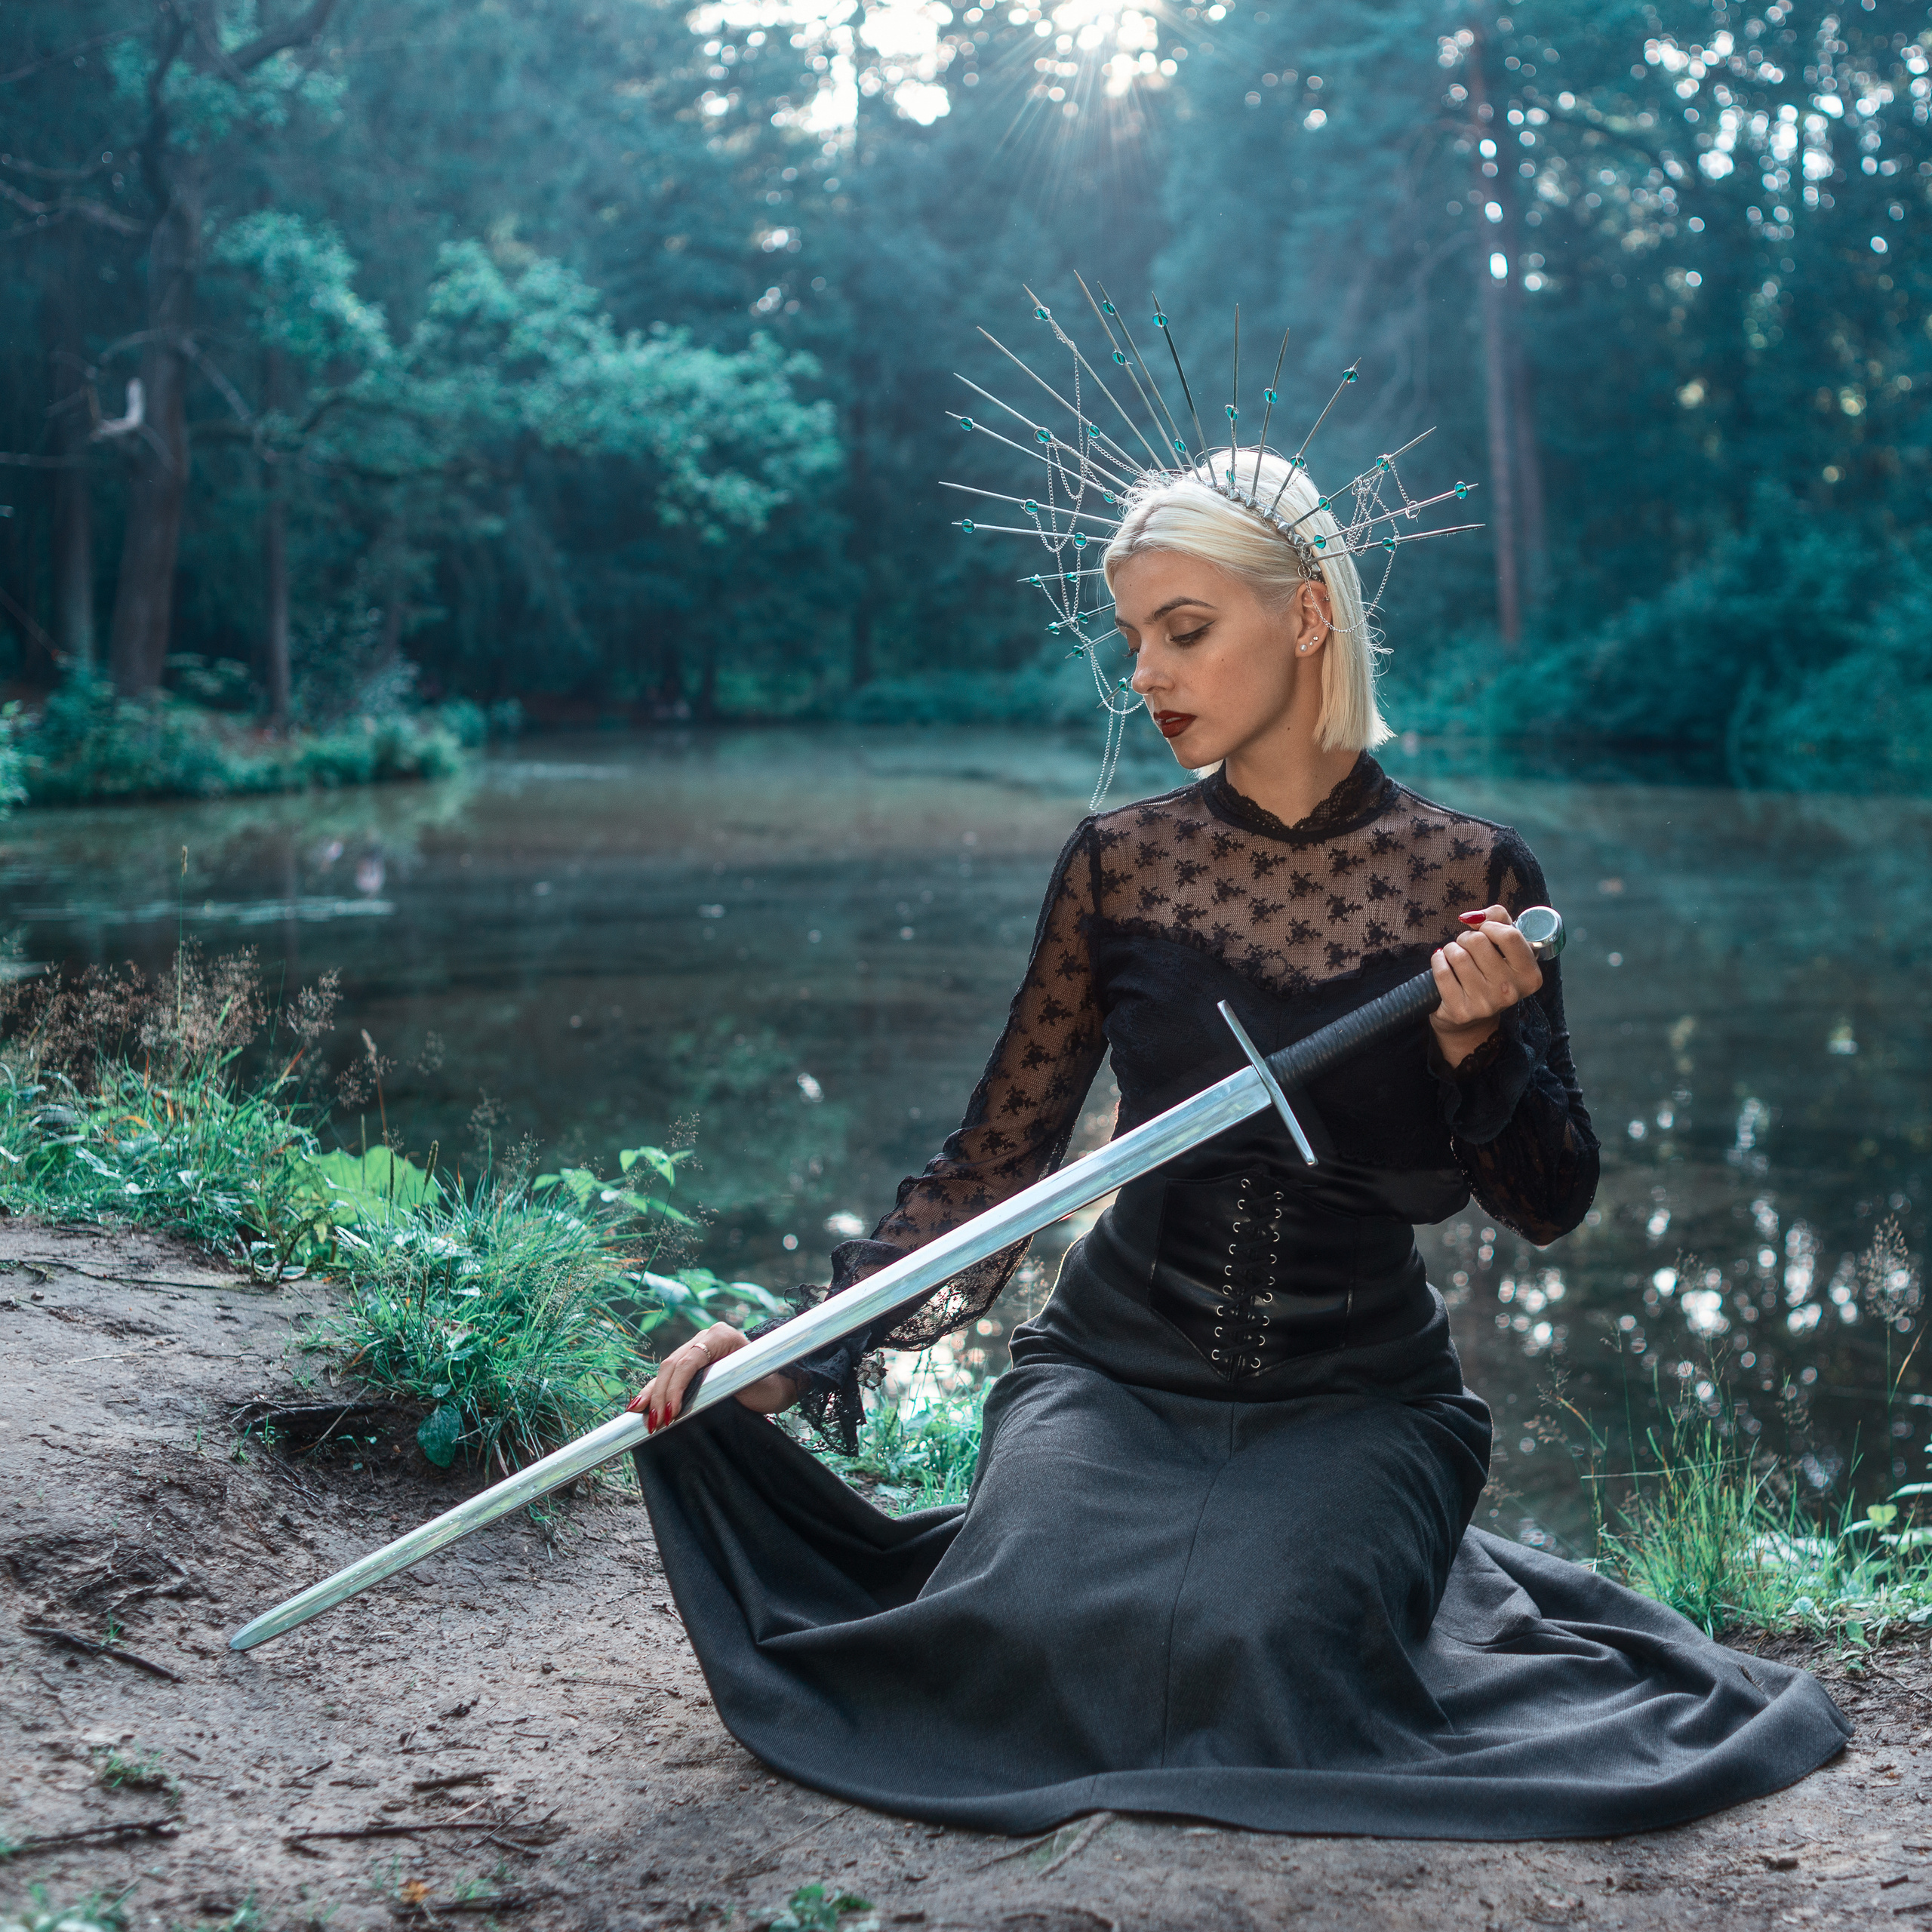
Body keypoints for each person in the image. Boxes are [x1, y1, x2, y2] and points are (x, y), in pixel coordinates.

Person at [625, 451, 1849, 1838]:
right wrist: (799, 1349)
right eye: (1134, 637)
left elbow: (1549, 1204)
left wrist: (1481, 1052)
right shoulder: (1119, 863)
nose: (1144, 674)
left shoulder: (1475, 879)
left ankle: (1378, 1569)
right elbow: (1001, 1160)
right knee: (1032, 1627)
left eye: (1186, 630)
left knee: (1265, 1645)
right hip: (1114, 1364)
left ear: (1309, 616)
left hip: (1360, 1387)